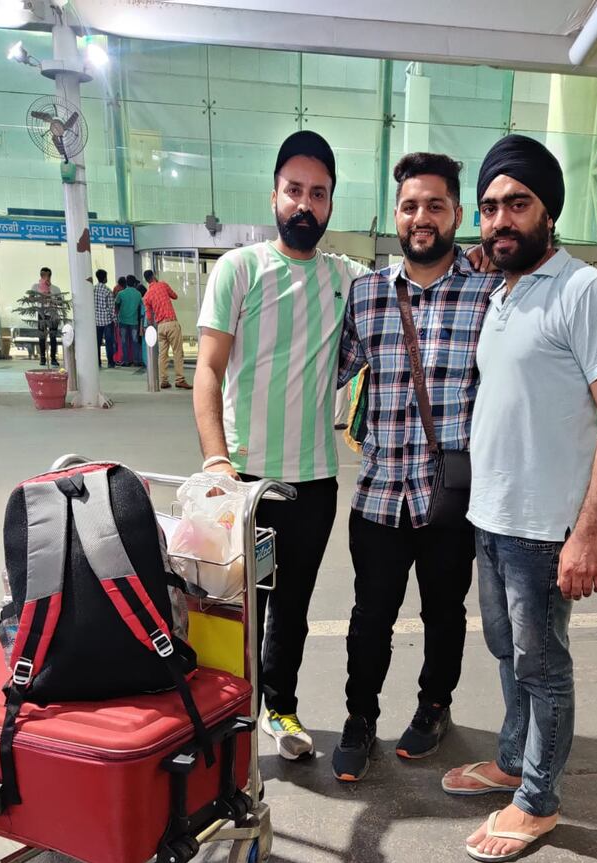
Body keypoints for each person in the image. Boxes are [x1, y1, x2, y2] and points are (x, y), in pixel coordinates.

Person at [441, 134, 597, 863]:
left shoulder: (585, 291)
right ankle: (513, 759)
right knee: (506, 652)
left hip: (544, 527)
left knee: (543, 665)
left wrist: (588, 534)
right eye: (490, 207)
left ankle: (538, 801)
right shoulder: (504, 291)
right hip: (490, 520)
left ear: (547, 211)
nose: (500, 220)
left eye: (516, 204)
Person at [193, 130, 370, 761]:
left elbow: (413, 286)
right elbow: (208, 369)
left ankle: (282, 710)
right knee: (234, 607)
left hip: (314, 481)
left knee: (290, 606)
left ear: (330, 204)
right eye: (294, 190)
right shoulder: (238, 270)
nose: (304, 204)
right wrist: (216, 461)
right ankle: (225, 713)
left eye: (317, 194)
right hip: (241, 477)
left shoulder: (348, 279)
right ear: (274, 195)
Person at [330, 153, 499, 782]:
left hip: (450, 497)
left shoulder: (489, 293)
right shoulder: (367, 293)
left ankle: (433, 706)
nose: (420, 217)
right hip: (378, 495)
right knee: (368, 615)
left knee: (444, 613)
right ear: (394, 216)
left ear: (456, 214)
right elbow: (330, 369)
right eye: (409, 206)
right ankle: (358, 718)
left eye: (434, 205)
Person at [143, 269, 192, 390]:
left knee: (162, 355)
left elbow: (149, 317)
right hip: (171, 323)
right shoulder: (163, 285)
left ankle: (163, 380)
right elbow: (175, 296)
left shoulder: (147, 296)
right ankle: (180, 379)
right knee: (177, 352)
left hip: (160, 326)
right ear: (154, 276)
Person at [31, 267, 61, 367]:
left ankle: (53, 358)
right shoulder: (36, 287)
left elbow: (60, 302)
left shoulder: (55, 289)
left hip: (52, 314)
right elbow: (31, 298)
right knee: (42, 337)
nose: (44, 277)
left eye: (46, 275)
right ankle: (42, 358)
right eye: (42, 275)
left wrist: (50, 295)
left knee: (53, 337)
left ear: (50, 276)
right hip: (41, 314)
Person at [115, 274, 144, 367]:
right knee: (135, 341)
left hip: (123, 320)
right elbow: (141, 305)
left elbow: (116, 304)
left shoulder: (121, 293)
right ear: (134, 283)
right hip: (134, 321)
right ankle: (136, 360)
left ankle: (126, 361)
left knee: (124, 341)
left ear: (126, 283)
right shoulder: (138, 294)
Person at [93, 268, 116, 369]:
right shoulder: (108, 291)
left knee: (97, 342)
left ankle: (97, 362)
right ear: (105, 278)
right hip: (107, 321)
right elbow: (111, 308)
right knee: (109, 342)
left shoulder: (92, 289)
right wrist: (115, 320)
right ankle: (110, 362)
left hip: (96, 321)